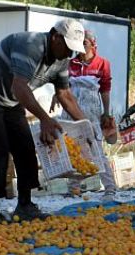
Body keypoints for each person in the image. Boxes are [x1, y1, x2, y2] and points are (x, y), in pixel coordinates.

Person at [0, 18, 89, 225]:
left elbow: (65, 94)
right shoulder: (30, 46)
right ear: (55, 37)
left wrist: (86, 125)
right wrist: (44, 119)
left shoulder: (62, 60)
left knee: (25, 148)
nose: (70, 54)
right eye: (68, 48)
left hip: (11, 100)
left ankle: (25, 206)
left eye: (73, 51)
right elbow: (20, 87)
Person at [50, 30, 117, 196]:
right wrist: (55, 96)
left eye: (84, 43)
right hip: (71, 108)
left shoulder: (102, 64)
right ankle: (74, 188)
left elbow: (105, 90)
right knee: (73, 148)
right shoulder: (69, 63)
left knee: (95, 147)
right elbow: (62, 85)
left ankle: (109, 186)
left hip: (90, 110)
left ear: (93, 45)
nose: (81, 47)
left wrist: (106, 113)